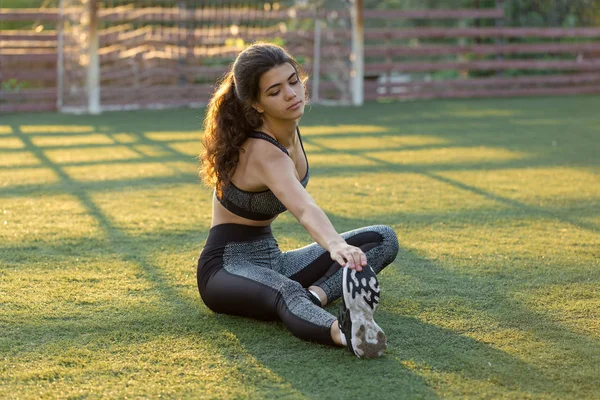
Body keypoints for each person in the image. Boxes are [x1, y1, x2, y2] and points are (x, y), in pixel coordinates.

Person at [197, 43, 399, 358]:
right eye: (275, 91)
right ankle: (347, 333)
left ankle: (313, 297)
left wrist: (342, 250)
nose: (291, 94)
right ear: (257, 104)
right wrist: (335, 245)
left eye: (293, 81)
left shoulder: (290, 129)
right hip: (226, 269)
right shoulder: (262, 150)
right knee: (287, 292)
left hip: (274, 259)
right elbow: (303, 207)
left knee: (382, 238)